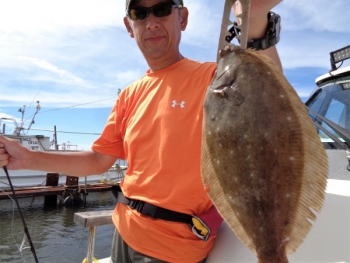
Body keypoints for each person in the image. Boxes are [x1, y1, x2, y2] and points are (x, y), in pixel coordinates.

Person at [0, 0, 283, 262]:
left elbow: (267, 96)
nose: (151, 22)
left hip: (175, 249)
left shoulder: (214, 77)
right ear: (129, 27)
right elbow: (99, 160)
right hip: (123, 232)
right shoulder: (129, 95)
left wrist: (254, 21)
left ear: (182, 18)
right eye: (139, 13)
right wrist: (27, 158)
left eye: (161, 9)